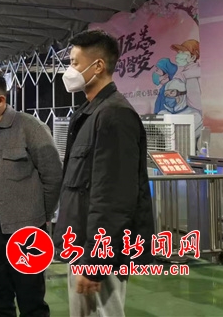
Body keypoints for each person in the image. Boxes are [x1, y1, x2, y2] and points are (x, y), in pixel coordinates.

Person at [53, 30, 154, 317]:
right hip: (82, 245)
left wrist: (96, 262)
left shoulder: (114, 115)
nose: (70, 71)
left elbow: (113, 197)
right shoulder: (91, 112)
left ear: (97, 66)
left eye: (74, 63)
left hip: (98, 252)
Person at [0, 69, 62, 317]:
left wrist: (41, 217)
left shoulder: (29, 127)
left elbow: (53, 176)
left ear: (0, 100)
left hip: (25, 234)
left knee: (31, 300)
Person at [158, 78, 203, 145]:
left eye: (172, 92)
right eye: (166, 94)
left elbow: (181, 138)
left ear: (182, 94)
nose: (169, 96)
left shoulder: (194, 116)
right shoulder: (162, 114)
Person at [171, 39, 201, 112]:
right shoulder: (184, 72)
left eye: (183, 52)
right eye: (179, 52)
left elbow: (195, 103)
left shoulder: (191, 76)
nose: (178, 55)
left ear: (193, 58)